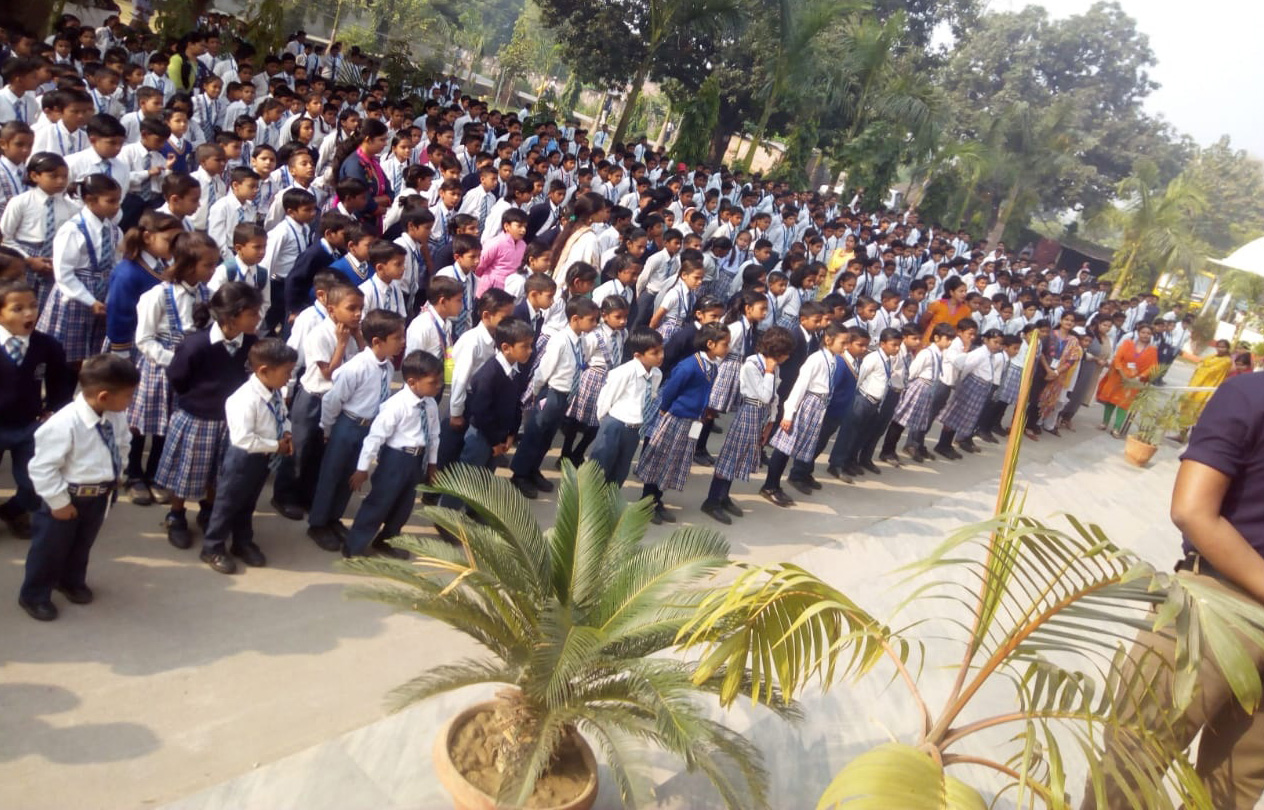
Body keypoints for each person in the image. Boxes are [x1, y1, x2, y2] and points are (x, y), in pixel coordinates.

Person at [1091, 371, 1264, 808]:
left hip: (1215, 605)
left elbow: (1192, 509)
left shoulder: (1249, 394)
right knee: (1228, 790)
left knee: (1131, 766)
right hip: (1219, 609)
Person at [18, 354, 138, 621]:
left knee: (82, 544)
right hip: (67, 497)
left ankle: (70, 581)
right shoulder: (64, 424)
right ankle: (34, 594)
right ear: (104, 396)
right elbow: (42, 468)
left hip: (99, 496)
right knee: (50, 549)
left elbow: (122, 443)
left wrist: (118, 472)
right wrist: (59, 503)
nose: (131, 401)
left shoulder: (115, 415)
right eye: (128, 396)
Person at [154, 282, 263, 552]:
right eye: (252, 313)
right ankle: (176, 515)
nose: (258, 318)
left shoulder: (251, 344)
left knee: (218, 472)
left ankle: (209, 510)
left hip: (230, 422)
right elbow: (177, 378)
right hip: (197, 419)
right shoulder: (196, 345)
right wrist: (198, 400)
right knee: (186, 472)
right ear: (231, 317)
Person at [126, 232, 216, 506]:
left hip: (190, 371)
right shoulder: (157, 296)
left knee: (169, 425)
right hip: (158, 368)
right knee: (143, 424)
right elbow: (144, 339)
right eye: (208, 265)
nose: (213, 270)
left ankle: (156, 475)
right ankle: (134, 475)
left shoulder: (208, 296)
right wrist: (173, 360)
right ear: (188, 265)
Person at [307, 309, 405, 550]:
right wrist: (327, 429)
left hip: (367, 429)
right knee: (332, 474)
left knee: (350, 476)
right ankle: (317, 524)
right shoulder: (356, 367)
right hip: (348, 426)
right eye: (397, 338)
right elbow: (332, 400)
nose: (402, 342)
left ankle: (334, 518)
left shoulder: (387, 367)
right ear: (377, 341)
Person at [200, 338, 297, 574]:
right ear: (264, 371)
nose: (290, 377)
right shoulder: (244, 399)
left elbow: (282, 415)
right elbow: (242, 439)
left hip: (263, 457)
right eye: (286, 372)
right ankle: (212, 547)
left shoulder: (274, 391)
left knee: (248, 501)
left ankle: (242, 541)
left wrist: (286, 432)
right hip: (242, 459)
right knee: (228, 503)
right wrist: (276, 446)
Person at [345, 349, 444, 558]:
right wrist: (362, 468)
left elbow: (434, 435)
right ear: (412, 382)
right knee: (379, 502)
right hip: (395, 459)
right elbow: (375, 438)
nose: (438, 386)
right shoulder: (395, 406)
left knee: (404, 505)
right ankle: (354, 546)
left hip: (417, 460)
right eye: (433, 382)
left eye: (439, 382)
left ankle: (387, 540)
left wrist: (432, 465)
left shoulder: (430, 404)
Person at [0, 280, 75, 539]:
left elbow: (61, 383)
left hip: (29, 425)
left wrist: (53, 410)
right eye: (18, 308)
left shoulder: (46, 345)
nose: (29, 313)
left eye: (33, 306)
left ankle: (13, 511)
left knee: (35, 482)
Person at [635, 322, 729, 524]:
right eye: (725, 344)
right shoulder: (689, 366)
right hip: (675, 418)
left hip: (691, 420)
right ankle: (646, 501)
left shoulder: (712, 366)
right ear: (710, 344)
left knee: (672, 461)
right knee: (659, 458)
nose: (727, 348)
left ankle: (657, 499)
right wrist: (664, 409)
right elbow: (671, 389)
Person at [509, 296, 599, 498]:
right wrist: (535, 393)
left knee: (547, 436)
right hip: (549, 394)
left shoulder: (581, 340)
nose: (595, 324)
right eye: (591, 320)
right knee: (535, 432)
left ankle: (533, 468)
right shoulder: (560, 340)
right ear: (575, 318)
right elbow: (543, 370)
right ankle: (519, 474)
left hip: (565, 396)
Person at [703, 327, 790, 524]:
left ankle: (723, 496)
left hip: (762, 415)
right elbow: (765, 395)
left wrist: (770, 423)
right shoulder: (752, 365)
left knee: (740, 457)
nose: (787, 357)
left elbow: (774, 397)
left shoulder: (774, 367)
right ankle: (712, 500)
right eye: (785, 353)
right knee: (730, 456)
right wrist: (769, 372)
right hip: (749, 412)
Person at [37, 174, 123, 366]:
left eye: (118, 201)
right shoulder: (72, 230)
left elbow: (117, 264)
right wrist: (89, 300)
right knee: (66, 357)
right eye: (111, 201)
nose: (117, 206)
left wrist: (109, 297)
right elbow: (63, 273)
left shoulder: (114, 230)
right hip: (76, 296)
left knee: (93, 355)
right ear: (90, 200)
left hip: (102, 295)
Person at [589, 327, 664, 487]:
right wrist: (606, 423)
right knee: (600, 467)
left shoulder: (657, 374)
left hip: (634, 429)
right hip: (615, 425)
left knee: (620, 470)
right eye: (655, 353)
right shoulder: (624, 372)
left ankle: (610, 499)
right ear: (638, 355)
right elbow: (606, 399)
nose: (661, 356)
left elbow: (650, 397)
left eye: (661, 350)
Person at [1096, 321, 1159, 437]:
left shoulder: (1152, 350)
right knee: (1111, 400)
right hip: (1118, 377)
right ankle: (1104, 423)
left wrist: (1139, 377)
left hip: (1134, 381)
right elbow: (1118, 358)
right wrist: (1122, 374)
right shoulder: (1127, 344)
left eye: (1148, 333)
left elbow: (1152, 367)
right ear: (1138, 333)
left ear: (1151, 335)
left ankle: (1116, 428)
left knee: (1124, 404)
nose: (1145, 335)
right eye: (1143, 332)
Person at [1178, 339, 1233, 429]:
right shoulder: (1212, 356)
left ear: (1227, 348)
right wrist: (1202, 366)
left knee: (1197, 409)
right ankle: (1182, 430)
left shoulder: (1226, 361)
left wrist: (1203, 366)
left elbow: (1211, 370)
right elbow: (1201, 363)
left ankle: (1189, 430)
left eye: (1223, 347)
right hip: (1197, 384)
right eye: (1218, 346)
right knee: (1187, 405)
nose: (1220, 349)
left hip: (1207, 388)